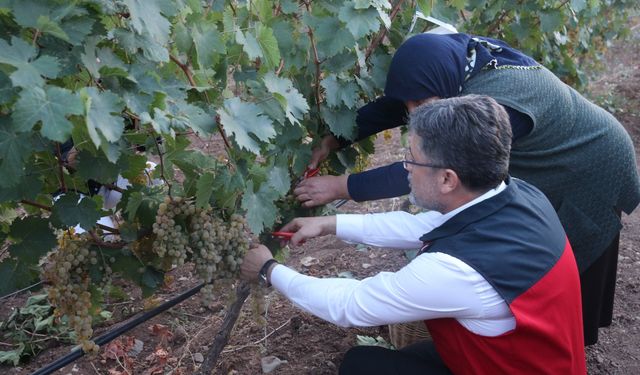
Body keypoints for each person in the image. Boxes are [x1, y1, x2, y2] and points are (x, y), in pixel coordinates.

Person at [293, 33, 640, 345]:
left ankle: (554, 342)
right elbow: (410, 94)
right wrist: (334, 139)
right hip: (575, 144)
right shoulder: (454, 63)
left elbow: (427, 169)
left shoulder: (498, 106)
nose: (412, 114)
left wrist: (343, 185)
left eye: (420, 106)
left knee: (562, 251)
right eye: (410, 105)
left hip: (593, 163)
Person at [242, 95, 586, 374]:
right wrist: (331, 224)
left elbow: (349, 305)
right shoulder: (518, 195)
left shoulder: (458, 271)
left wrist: (268, 270)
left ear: (448, 179)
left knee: (362, 367)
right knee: (414, 355)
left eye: (412, 159)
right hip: (531, 363)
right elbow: (423, 227)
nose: (405, 166)